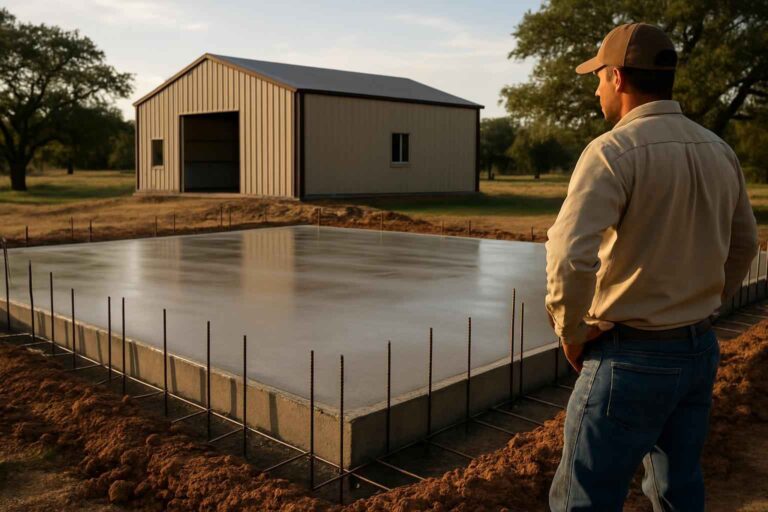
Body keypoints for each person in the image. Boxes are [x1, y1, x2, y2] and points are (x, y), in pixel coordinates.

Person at [545, 23, 758, 511]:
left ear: (617, 78)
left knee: (585, 500)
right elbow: (744, 244)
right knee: (677, 490)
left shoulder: (612, 151)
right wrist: (698, 305)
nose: (596, 88)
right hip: (698, 350)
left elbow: (568, 253)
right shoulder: (718, 149)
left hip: (629, 358)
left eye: (598, 77)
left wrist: (572, 330)